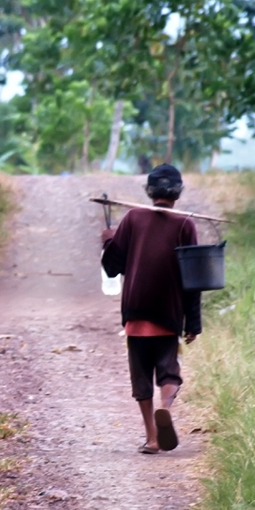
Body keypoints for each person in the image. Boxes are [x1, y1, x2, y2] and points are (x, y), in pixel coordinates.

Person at [100, 164, 202, 454]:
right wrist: (193, 323)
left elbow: (112, 267)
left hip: (135, 311)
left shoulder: (132, 218)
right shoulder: (185, 224)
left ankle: (152, 438)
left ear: (149, 192)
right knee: (169, 372)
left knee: (140, 376)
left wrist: (108, 240)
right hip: (169, 312)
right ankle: (166, 406)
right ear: (177, 194)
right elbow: (193, 280)